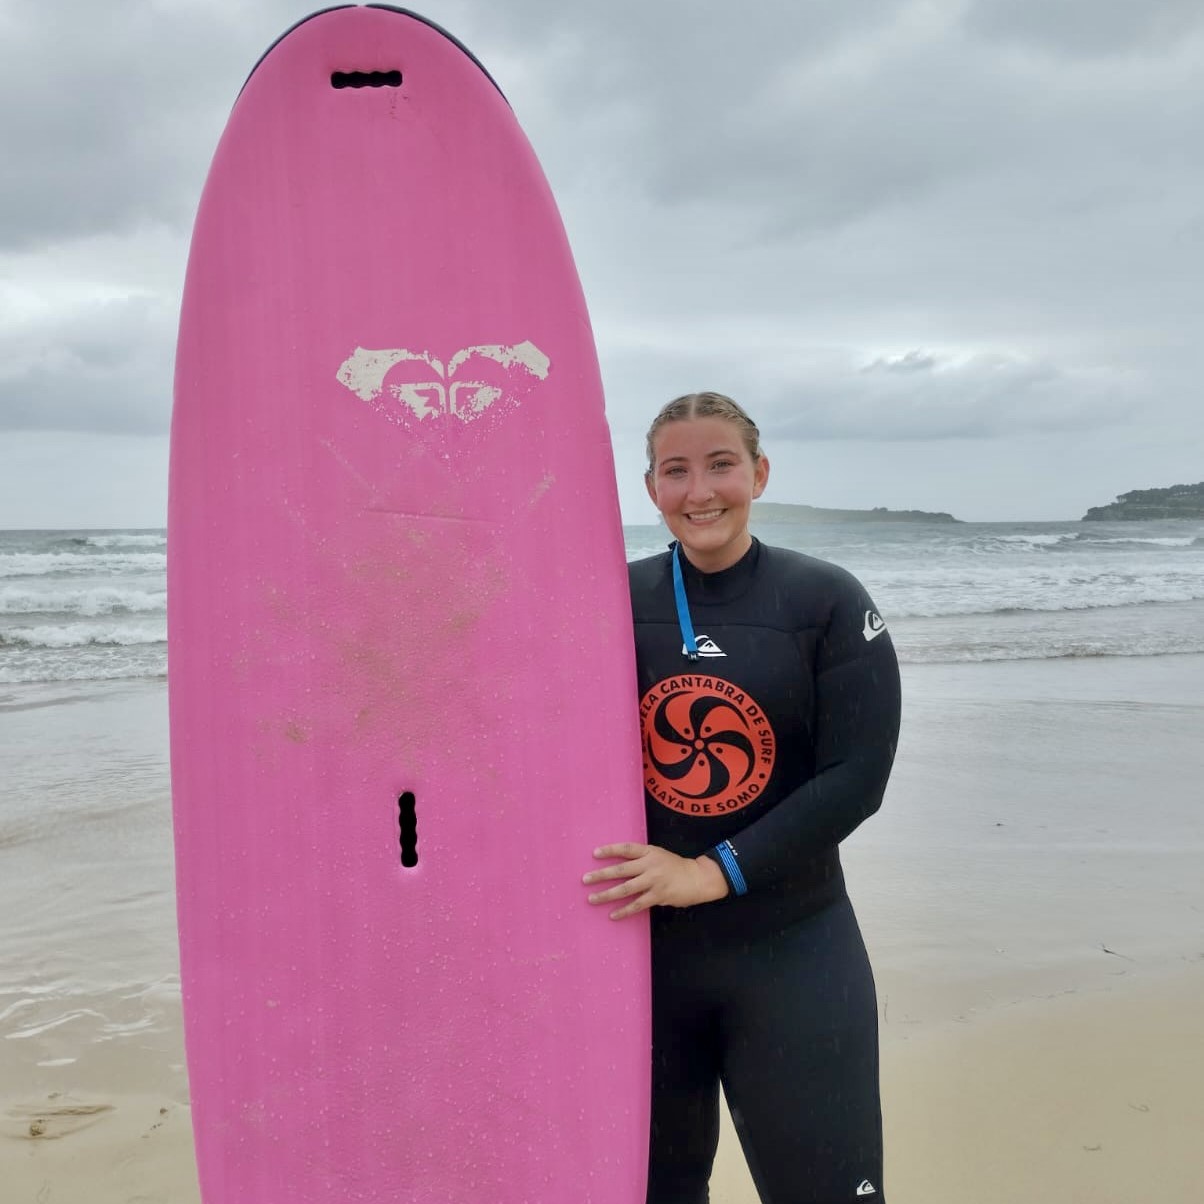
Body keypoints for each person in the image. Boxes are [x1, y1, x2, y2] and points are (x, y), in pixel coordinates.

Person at [583, 392, 901, 1204]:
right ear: (650, 488)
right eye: (676, 470)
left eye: (721, 464)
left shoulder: (825, 599)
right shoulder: (605, 600)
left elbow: (856, 779)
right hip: (638, 960)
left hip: (794, 946)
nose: (701, 491)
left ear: (758, 473)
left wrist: (710, 870)